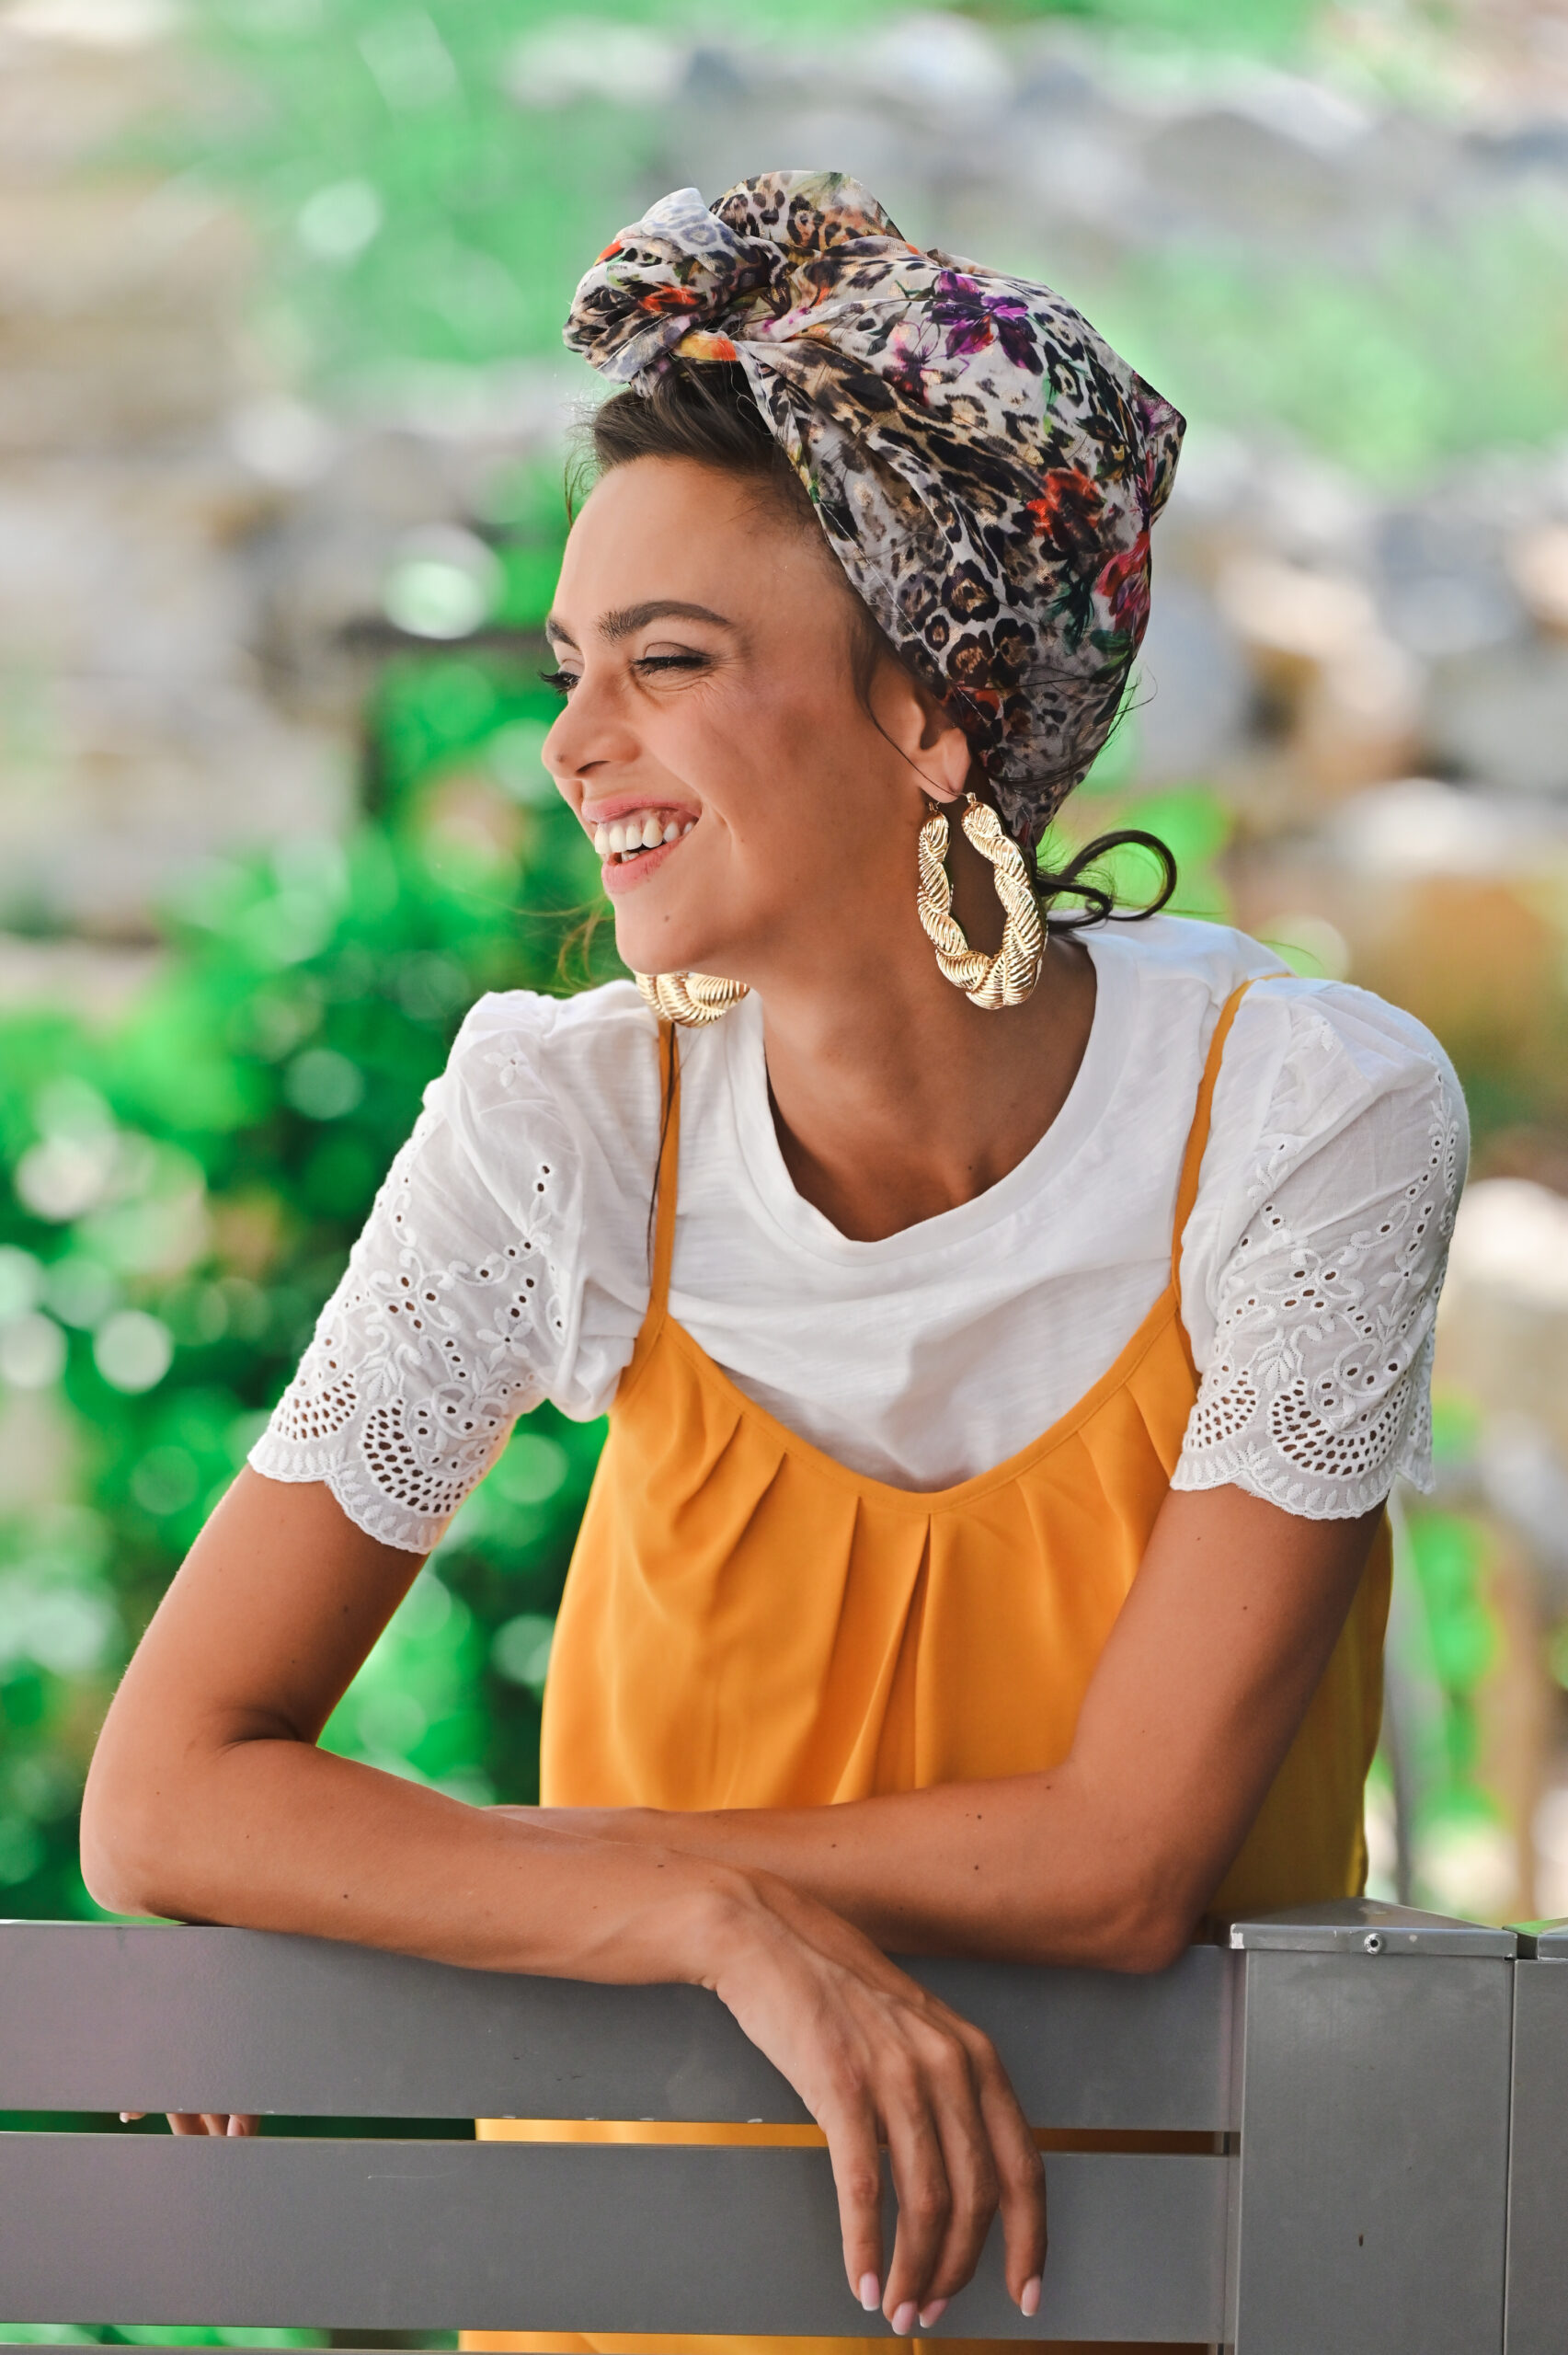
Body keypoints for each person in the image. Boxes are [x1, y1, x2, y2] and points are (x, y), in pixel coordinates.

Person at [82, 171, 1466, 2354]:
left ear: (932, 709)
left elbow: (1119, 1862)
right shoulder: (560, 1121)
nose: (571, 744)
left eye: (670, 663)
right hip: (636, 2302)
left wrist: (564, 1881)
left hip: (1160, 2290)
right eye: (572, 670)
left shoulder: (1304, 1119)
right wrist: (701, 1920)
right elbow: (168, 1792)